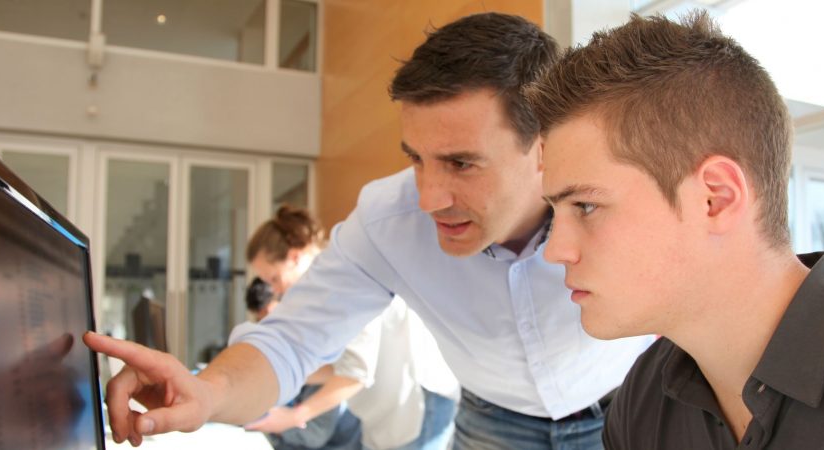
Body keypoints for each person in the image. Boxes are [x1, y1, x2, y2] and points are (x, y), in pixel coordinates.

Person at [83, 12, 655, 449]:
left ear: (543, 147)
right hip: (493, 423)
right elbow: (292, 339)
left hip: (638, 406)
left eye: (461, 163)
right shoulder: (387, 220)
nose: (429, 198)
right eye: (416, 158)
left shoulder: (623, 196)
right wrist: (208, 392)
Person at [527, 11, 824, 449]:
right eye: (556, 211)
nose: (555, 251)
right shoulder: (644, 398)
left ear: (715, 199)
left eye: (586, 206)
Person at [243, 206, 460, 450]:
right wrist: (276, 377)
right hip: (386, 407)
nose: (277, 291)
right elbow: (338, 365)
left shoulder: (341, 279)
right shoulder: (321, 291)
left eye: (275, 279)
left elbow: (355, 373)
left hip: (417, 400)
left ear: (294, 257)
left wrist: (294, 416)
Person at [244, 277, 363, 450]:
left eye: (269, 316)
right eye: (260, 321)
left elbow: (315, 434)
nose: (267, 328)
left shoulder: (318, 350)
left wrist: (274, 424)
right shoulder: (285, 354)